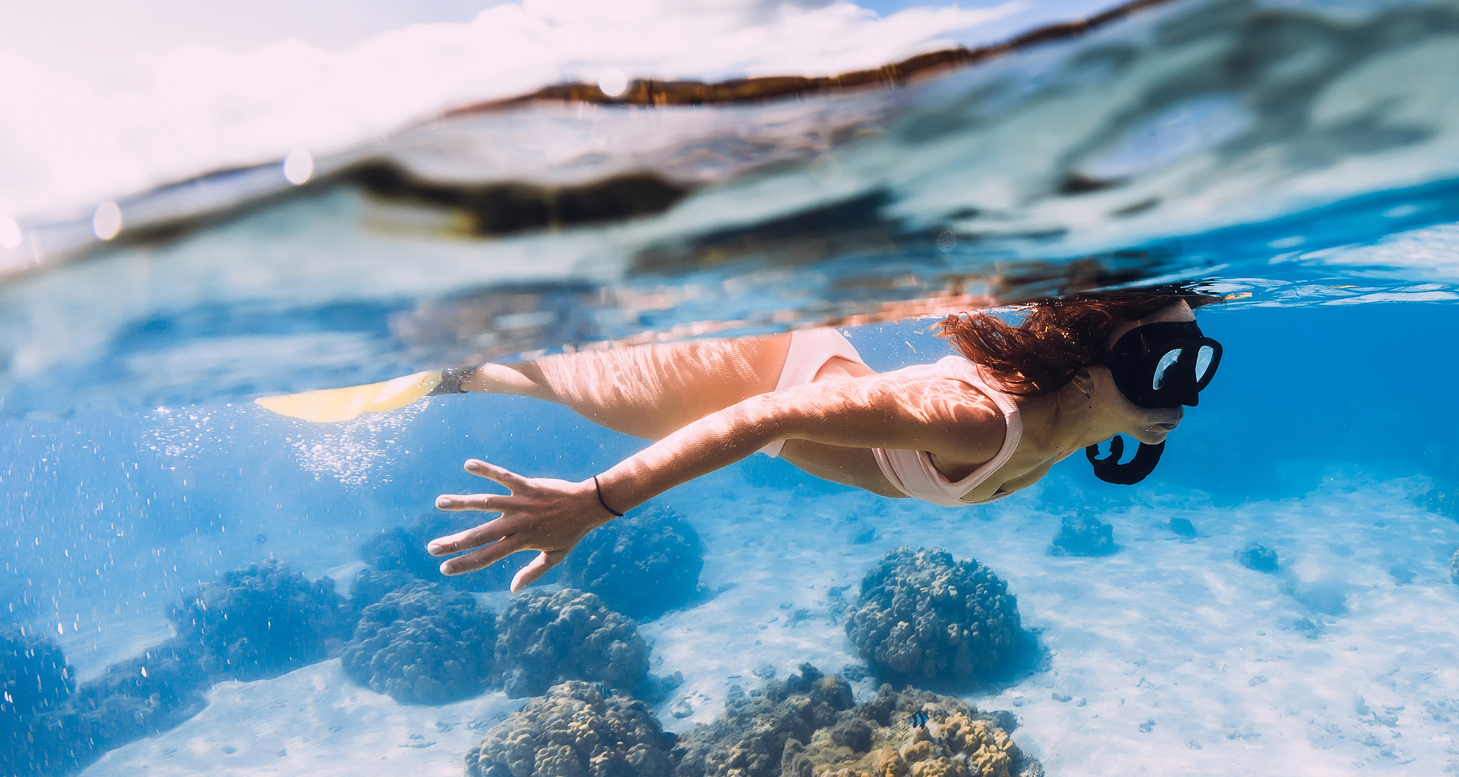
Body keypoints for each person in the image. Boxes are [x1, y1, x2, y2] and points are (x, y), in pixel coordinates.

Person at [423, 293, 1224, 589]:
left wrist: (1136, 422)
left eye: (1195, 365)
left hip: (792, 372)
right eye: (1162, 369)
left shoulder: (1076, 416)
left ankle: (453, 372)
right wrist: (592, 504)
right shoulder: (975, 420)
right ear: (1084, 374)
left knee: (548, 374)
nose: (1183, 394)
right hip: (747, 380)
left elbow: (1121, 408)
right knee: (559, 366)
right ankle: (458, 335)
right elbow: (762, 418)